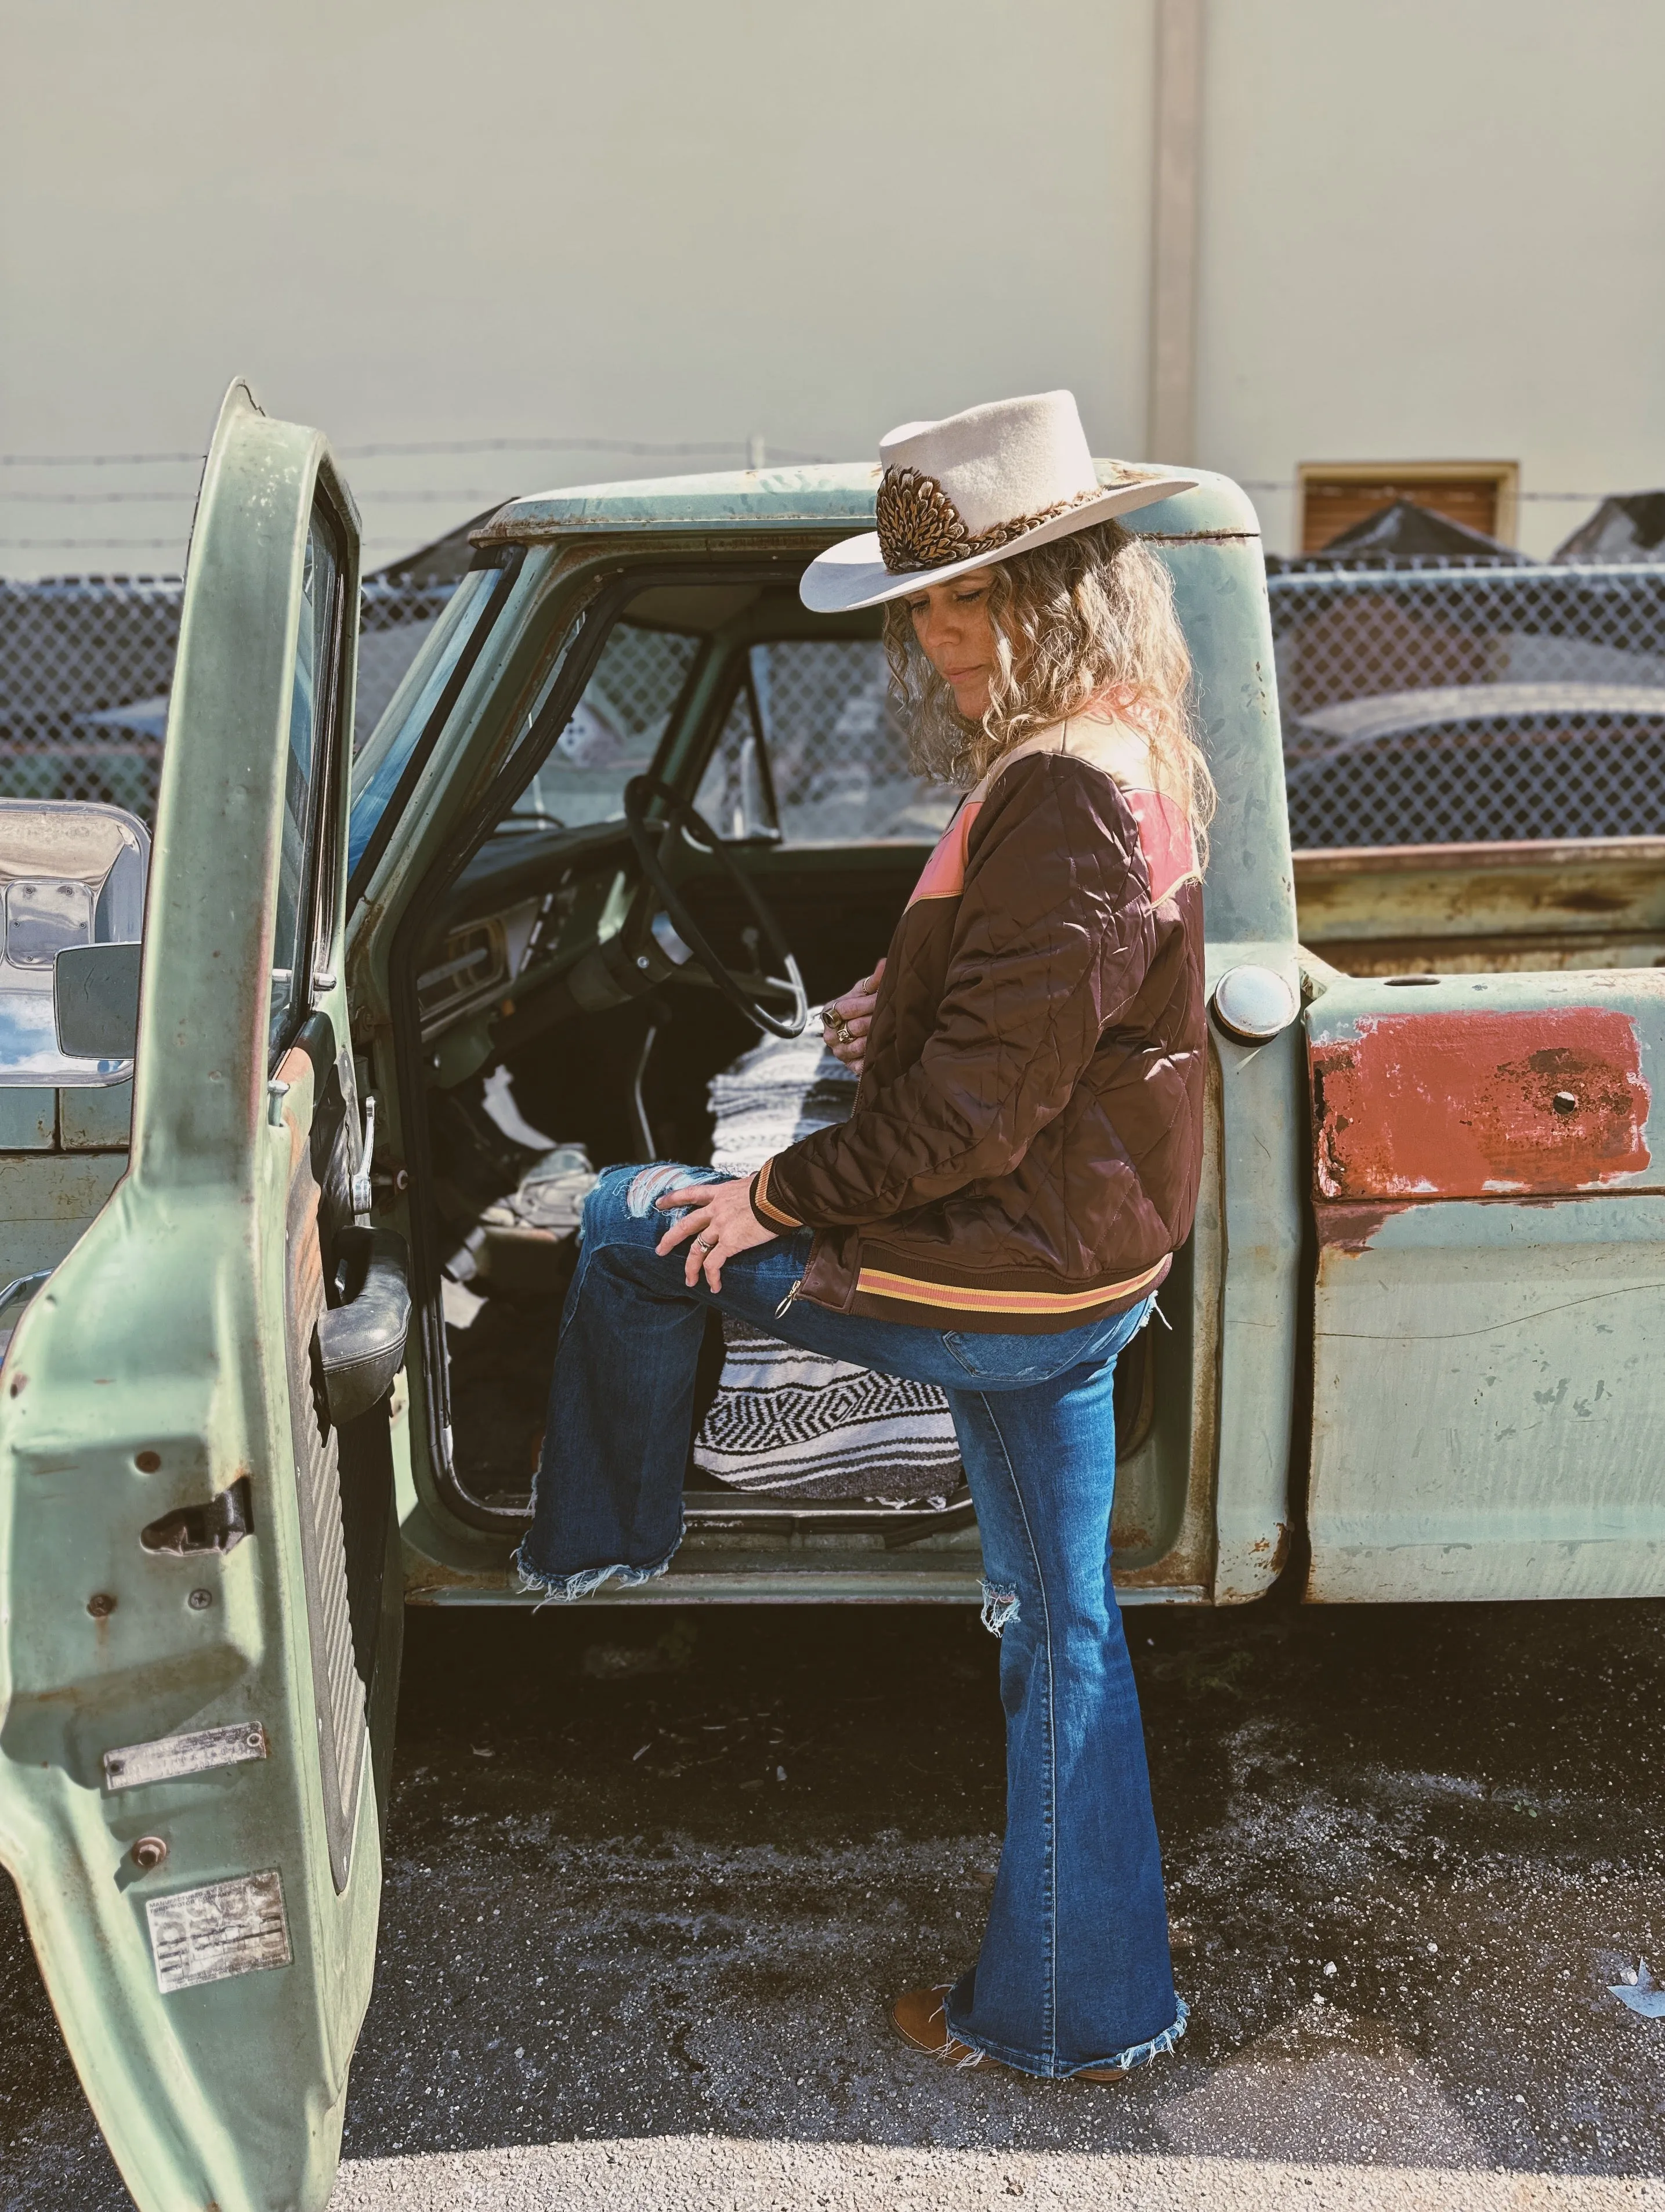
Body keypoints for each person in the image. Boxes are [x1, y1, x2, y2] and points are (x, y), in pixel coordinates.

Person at [516, 390, 1212, 2082]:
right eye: (924, 613)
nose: (937, 646)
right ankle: (1080, 2011)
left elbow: (979, 1114)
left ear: (1048, 596)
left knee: (621, 1222)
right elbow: (1041, 1013)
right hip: (1084, 1264)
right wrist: (889, 1005)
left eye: (960, 607)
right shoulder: (1125, 749)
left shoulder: (1062, 790)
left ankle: (595, 1551)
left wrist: (766, 1195)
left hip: (1002, 1277)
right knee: (1064, 1628)